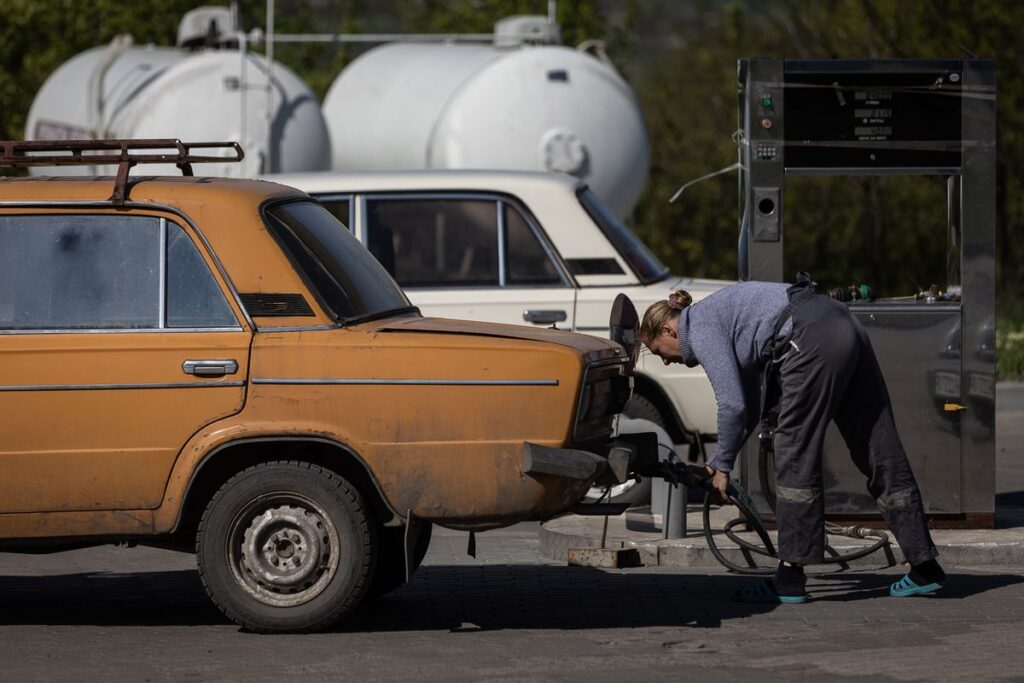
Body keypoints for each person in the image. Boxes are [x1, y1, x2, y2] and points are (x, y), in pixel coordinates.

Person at [639, 274, 945, 603]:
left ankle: (789, 578)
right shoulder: (719, 316)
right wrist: (719, 462)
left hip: (808, 337)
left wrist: (723, 466)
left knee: (794, 450)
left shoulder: (699, 327)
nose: (666, 360)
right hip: (842, 322)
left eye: (659, 352)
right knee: (877, 446)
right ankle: (924, 565)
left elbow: (732, 406)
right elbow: (749, 410)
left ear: (669, 331)